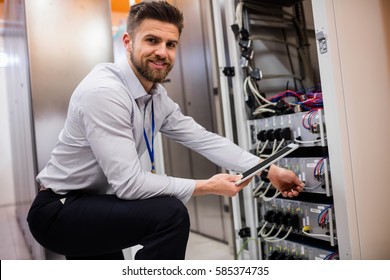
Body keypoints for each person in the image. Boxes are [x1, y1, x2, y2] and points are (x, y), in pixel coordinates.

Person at [27, 1, 304, 260]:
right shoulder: (105, 93)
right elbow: (130, 184)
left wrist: (267, 170)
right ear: (128, 41)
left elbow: (203, 139)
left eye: (171, 44)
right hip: (61, 209)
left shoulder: (156, 97)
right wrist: (207, 186)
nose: (162, 52)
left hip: (96, 204)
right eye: (152, 40)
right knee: (169, 215)